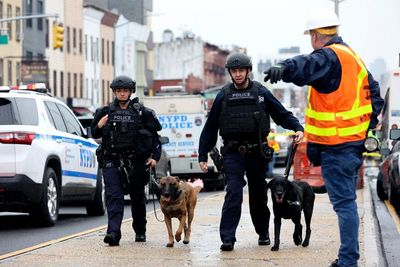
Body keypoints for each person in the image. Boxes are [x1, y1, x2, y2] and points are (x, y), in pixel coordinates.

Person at [263, 10, 384, 267]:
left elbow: (307, 64)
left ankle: (348, 261)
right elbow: (375, 97)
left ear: (316, 36)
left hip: (338, 148)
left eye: (311, 37)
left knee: (344, 204)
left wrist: (284, 68)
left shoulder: (330, 56)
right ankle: (347, 258)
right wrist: (364, 129)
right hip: (349, 145)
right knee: (346, 202)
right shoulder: (353, 57)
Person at [198, 52, 304, 251]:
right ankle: (227, 238)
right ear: (230, 73)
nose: (238, 74)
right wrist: (202, 155)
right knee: (233, 194)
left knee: (258, 195)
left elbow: (281, 114)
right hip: (232, 153)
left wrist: (298, 127)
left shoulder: (261, 93)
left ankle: (263, 233)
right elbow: (211, 127)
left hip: (256, 153)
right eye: (234, 71)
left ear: (248, 71)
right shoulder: (223, 95)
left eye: (241, 70)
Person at [91, 75, 162, 246]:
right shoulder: (105, 112)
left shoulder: (142, 113)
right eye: (119, 91)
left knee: (137, 198)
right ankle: (113, 233)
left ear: (130, 92)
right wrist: (100, 125)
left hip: (135, 161)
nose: (122, 94)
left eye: (125, 91)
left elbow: (155, 137)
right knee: (113, 196)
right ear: (114, 92)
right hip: (112, 160)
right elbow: (94, 133)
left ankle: (140, 230)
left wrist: (155, 158)